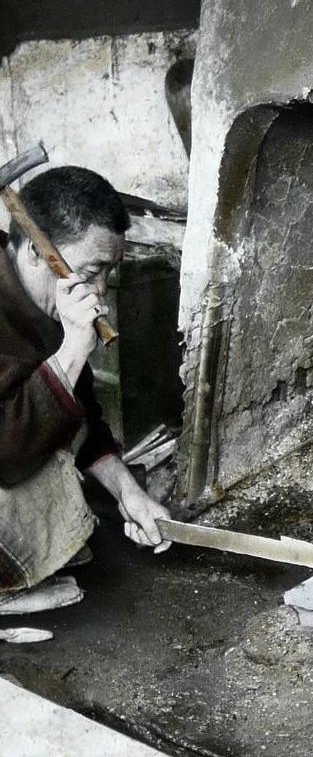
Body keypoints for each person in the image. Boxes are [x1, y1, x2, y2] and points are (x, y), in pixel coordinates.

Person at [0, 166, 171, 631]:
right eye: (92, 272)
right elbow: (5, 455)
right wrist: (74, 347)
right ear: (39, 252)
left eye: (108, 273)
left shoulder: (46, 295)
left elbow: (80, 416)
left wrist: (129, 494)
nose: (99, 292)